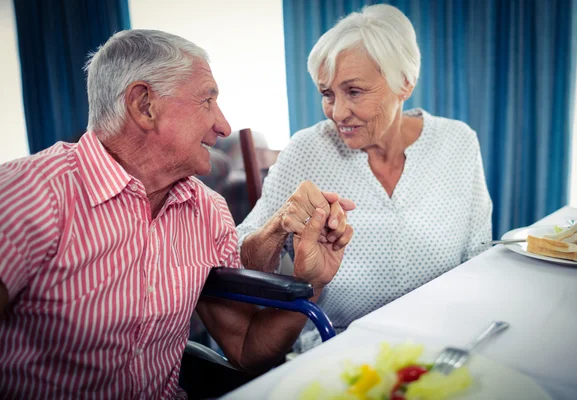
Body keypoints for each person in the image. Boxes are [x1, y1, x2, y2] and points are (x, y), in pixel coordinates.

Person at [0, 30, 354, 398]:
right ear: (144, 105)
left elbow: (248, 349)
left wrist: (309, 282)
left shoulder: (207, 211)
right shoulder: (26, 195)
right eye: (207, 101)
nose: (224, 125)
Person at [237, 4, 493, 352]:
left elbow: (479, 255)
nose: (338, 113)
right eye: (328, 94)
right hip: (338, 348)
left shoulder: (458, 142)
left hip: (442, 343)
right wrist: (279, 225)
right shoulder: (306, 150)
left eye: (354, 91)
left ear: (405, 82)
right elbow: (241, 257)